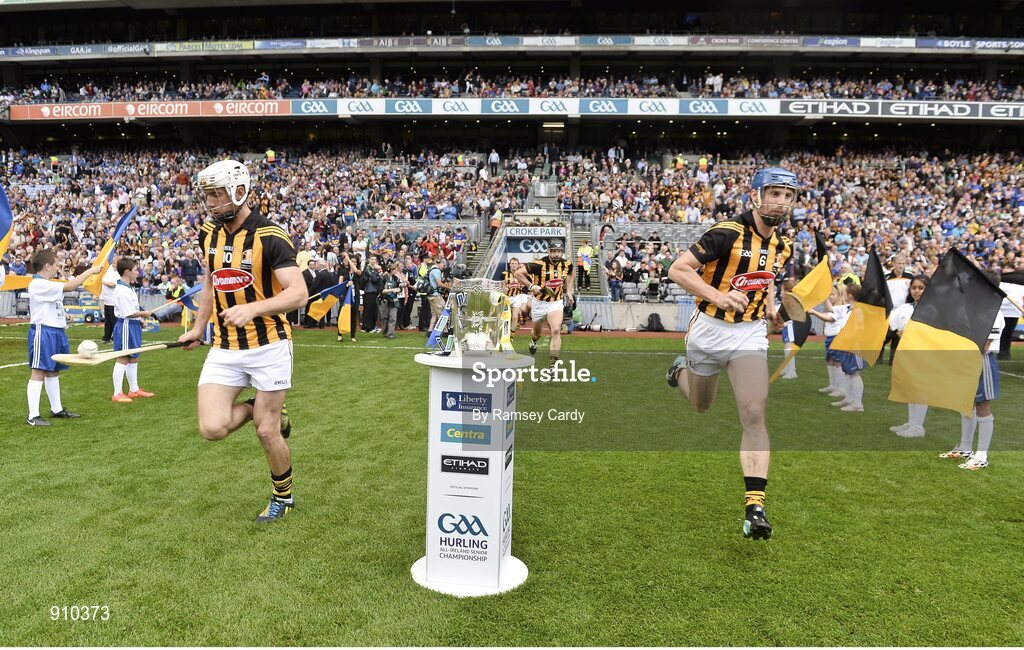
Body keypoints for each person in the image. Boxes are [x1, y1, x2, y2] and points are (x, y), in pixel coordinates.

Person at [664, 167, 795, 541]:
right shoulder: (727, 232)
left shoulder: (783, 246)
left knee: (754, 410)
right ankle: (678, 374)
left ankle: (755, 506)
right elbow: (678, 269)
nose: (780, 202)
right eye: (773, 193)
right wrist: (719, 296)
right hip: (708, 330)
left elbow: (767, 280)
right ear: (755, 195)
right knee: (702, 406)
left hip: (749, 334)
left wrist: (769, 307)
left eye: (787, 195)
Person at [177, 159, 308, 524]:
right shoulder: (208, 232)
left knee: (266, 431)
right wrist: (198, 327)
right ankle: (260, 408)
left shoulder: (270, 236)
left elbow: (298, 293)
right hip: (225, 346)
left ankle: (283, 495)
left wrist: (253, 309)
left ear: (239, 191)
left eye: (217, 195)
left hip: (269, 345)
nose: (212, 203)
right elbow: (210, 281)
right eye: (208, 196)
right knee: (212, 428)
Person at [25, 250, 101, 426]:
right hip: (43, 332)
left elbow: (52, 304)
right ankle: (33, 416)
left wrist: (63, 316)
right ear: (47, 266)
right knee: (39, 371)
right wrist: (90, 271)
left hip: (56, 331)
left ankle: (56, 409)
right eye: (56, 265)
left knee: (54, 370)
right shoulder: (38, 284)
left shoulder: (47, 284)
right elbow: (69, 286)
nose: (58, 268)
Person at [940, 270, 1003, 470]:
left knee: (982, 406)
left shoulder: (994, 312)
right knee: (965, 404)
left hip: (981, 361)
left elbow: (984, 345)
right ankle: (965, 447)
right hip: (966, 360)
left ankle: (981, 455)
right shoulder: (973, 309)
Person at [514, 240, 574, 368]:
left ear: (561, 252)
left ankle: (553, 365)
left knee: (556, 330)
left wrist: (568, 291)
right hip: (539, 303)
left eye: (558, 251)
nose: (556, 254)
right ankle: (533, 341)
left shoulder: (567, 264)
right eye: (553, 252)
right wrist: (531, 286)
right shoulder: (539, 264)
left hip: (555, 302)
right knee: (537, 334)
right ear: (549, 252)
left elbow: (571, 273)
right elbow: (517, 273)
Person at [888, 275, 930, 437]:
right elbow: (891, 324)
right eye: (914, 288)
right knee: (910, 388)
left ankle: (918, 427)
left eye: (921, 288)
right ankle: (912, 422)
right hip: (907, 354)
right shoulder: (905, 308)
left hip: (924, 355)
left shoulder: (932, 311)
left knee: (919, 388)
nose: (917, 291)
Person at [110, 256, 155, 403]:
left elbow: (132, 309)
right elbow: (127, 313)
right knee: (123, 357)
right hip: (125, 326)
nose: (138, 272)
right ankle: (117, 392)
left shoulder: (128, 288)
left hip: (133, 325)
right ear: (127, 272)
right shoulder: (121, 290)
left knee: (134, 357)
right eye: (136, 270)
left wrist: (140, 320)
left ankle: (134, 389)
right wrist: (144, 314)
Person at [830, 285, 866, 413]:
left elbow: (859, 328)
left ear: (850, 295)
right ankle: (849, 399)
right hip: (846, 344)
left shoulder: (858, 309)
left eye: (845, 293)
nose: (843, 295)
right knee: (847, 372)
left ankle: (857, 404)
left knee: (854, 373)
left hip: (854, 346)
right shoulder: (849, 309)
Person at [502, 257, 529, 336]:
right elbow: (501, 286)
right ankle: (504, 332)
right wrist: (506, 287)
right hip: (507, 297)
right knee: (506, 317)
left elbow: (525, 284)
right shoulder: (504, 274)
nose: (514, 265)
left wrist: (522, 286)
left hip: (516, 296)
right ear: (510, 265)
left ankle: (511, 335)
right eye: (512, 264)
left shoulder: (521, 274)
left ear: (518, 265)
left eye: (515, 264)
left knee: (514, 317)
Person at [381, 261, 404, 339]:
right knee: (385, 317)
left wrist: (400, 288)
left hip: (394, 299)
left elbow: (400, 286)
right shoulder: (383, 277)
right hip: (385, 299)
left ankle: (390, 334)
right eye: (394, 270)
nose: (396, 271)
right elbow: (381, 290)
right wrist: (392, 290)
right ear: (390, 270)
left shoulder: (396, 278)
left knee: (393, 317)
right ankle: (384, 331)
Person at [99, 257, 120, 343]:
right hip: (106, 299)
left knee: (114, 320)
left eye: (115, 263)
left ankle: (115, 337)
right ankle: (106, 336)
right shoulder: (109, 270)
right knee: (107, 320)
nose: (113, 264)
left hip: (113, 300)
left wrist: (103, 282)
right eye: (113, 262)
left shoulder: (118, 273)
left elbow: (113, 284)